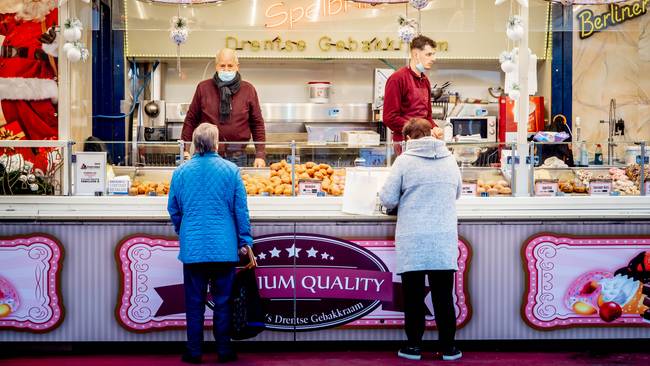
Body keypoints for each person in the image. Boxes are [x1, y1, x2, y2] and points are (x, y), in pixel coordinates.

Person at [168, 123, 253, 364]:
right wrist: (245, 240)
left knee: (194, 303)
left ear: (195, 144)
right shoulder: (231, 170)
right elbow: (241, 211)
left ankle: (194, 351)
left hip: (194, 250)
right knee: (223, 302)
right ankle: (224, 350)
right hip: (224, 249)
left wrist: (183, 230)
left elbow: (174, 209)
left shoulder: (181, 172)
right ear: (216, 143)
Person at [379, 118, 463, 361]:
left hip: (413, 236)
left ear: (408, 138)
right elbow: (457, 192)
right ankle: (449, 348)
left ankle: (413, 347)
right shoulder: (449, 159)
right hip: (443, 236)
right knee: (443, 295)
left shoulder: (405, 161)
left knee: (414, 296)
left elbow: (388, 198)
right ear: (430, 133)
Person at [182, 48, 266, 168]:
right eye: (222, 66)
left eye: (230, 65)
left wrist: (260, 154)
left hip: (237, 156)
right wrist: (184, 149)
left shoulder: (248, 90)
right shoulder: (203, 88)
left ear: (237, 67)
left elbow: (257, 124)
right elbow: (191, 120)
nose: (226, 69)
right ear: (216, 66)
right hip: (206, 155)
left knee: (233, 187)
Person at [383, 35, 443, 154]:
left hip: (425, 143)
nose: (433, 59)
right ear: (415, 54)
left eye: (433, 54)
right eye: (429, 54)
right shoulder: (397, 79)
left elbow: (427, 116)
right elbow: (390, 118)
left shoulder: (425, 80)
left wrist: (434, 127)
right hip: (405, 144)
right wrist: (419, 131)